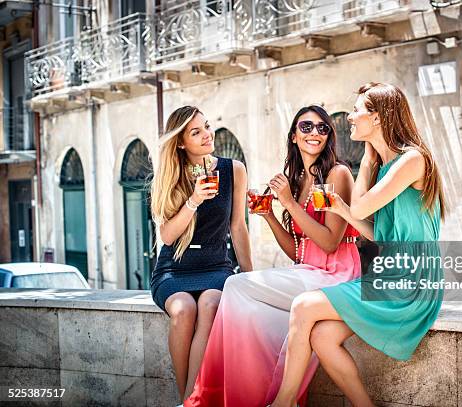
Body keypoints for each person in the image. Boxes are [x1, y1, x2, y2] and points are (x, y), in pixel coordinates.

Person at [270, 82, 446, 407]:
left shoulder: (411, 161)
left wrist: (366, 161)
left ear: (377, 118)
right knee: (322, 337)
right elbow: (376, 233)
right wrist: (341, 210)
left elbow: (363, 206)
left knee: (303, 305)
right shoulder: (389, 166)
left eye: (357, 111)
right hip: (389, 273)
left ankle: (283, 403)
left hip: (412, 279)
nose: (350, 118)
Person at [184, 105, 361, 407]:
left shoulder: (338, 174)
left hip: (337, 275)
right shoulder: (297, 178)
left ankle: (212, 396)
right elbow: (298, 251)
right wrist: (268, 216)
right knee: (251, 314)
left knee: (237, 285)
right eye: (306, 127)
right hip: (308, 271)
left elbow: (331, 243)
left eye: (322, 128)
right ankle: (260, 396)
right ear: (294, 136)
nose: (314, 133)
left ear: (329, 136)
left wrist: (289, 204)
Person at [149, 106, 253, 402]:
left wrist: (249, 274)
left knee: (210, 303)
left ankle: (190, 400)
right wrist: (193, 200)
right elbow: (167, 236)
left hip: (217, 266)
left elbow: (238, 226)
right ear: (181, 142)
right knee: (183, 309)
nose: (208, 134)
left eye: (207, 127)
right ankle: (187, 398)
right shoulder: (169, 175)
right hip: (173, 270)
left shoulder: (233, 169)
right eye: (196, 132)